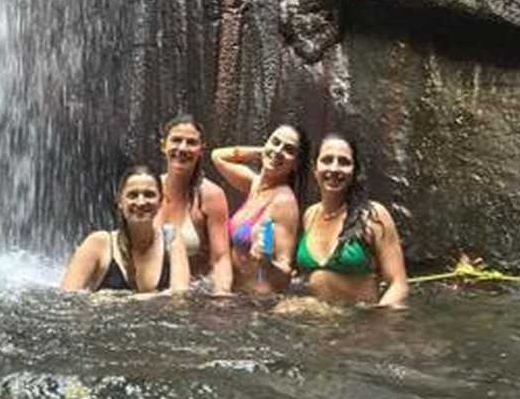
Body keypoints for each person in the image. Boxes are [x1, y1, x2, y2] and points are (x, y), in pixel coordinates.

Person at [295, 133, 409, 308]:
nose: (334, 168)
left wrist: (377, 322)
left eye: (344, 162)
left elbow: (398, 285)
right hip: (314, 324)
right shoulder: (309, 215)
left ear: (354, 171)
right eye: (327, 160)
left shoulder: (372, 215)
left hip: (358, 325)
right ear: (314, 168)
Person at [211, 122, 310, 296]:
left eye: (289, 150)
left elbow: (285, 269)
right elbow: (217, 156)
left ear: (296, 163)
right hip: (233, 296)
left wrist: (266, 261)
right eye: (275, 141)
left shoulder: (284, 201)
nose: (279, 150)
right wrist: (266, 152)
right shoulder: (254, 184)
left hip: (256, 303)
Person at [59, 165, 190, 294]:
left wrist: (117, 300)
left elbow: (180, 297)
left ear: (161, 200)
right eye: (132, 195)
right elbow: (66, 299)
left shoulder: (171, 238)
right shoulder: (98, 244)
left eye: (149, 195)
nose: (141, 202)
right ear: (120, 201)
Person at [155, 113, 232, 293]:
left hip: (192, 296)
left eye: (191, 142)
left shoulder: (211, 195)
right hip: (150, 292)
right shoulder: (149, 191)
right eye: (176, 140)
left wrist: (222, 295)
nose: (182, 148)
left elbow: (220, 258)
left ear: (201, 150)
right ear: (163, 145)